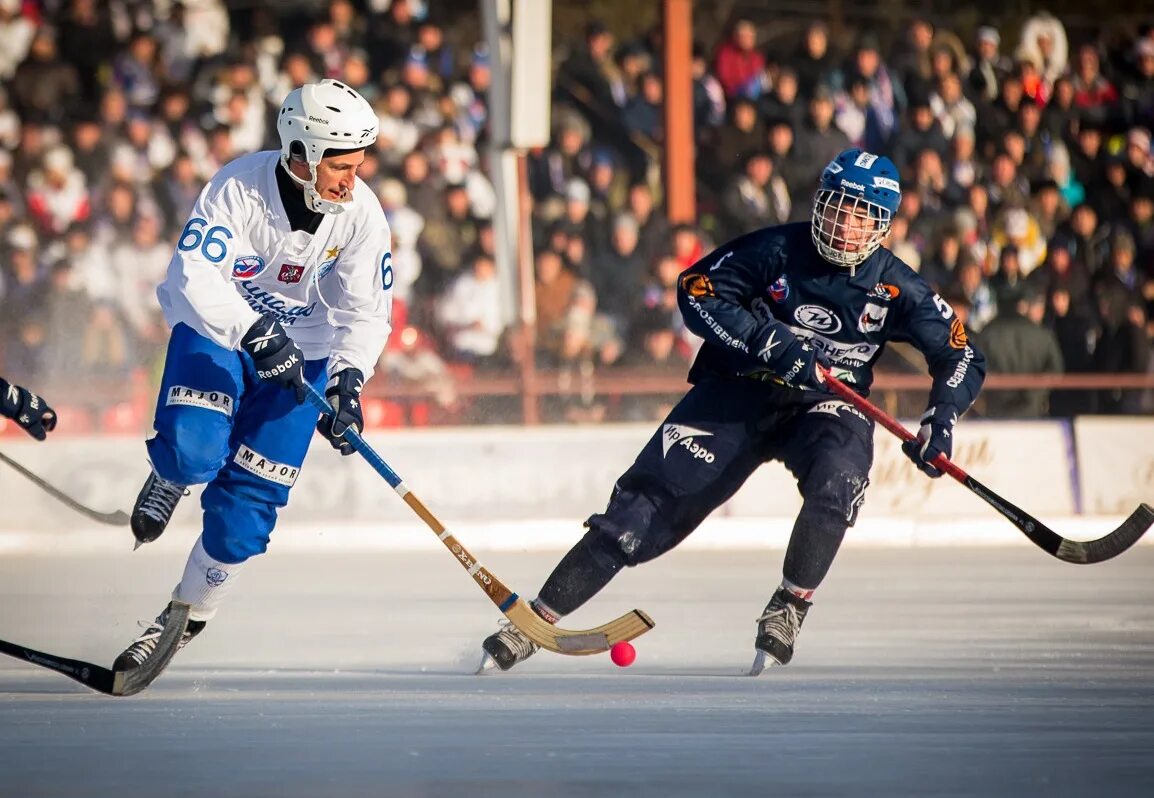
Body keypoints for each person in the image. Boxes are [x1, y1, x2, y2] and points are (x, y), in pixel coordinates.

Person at [478, 148, 986, 673]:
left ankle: (790, 605)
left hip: (827, 403)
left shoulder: (899, 285)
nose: (843, 224)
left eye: (859, 214)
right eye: (835, 206)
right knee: (640, 512)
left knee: (838, 481)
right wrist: (766, 341)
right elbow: (697, 291)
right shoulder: (775, 249)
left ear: (882, 225)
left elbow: (961, 355)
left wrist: (940, 418)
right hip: (739, 390)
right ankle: (535, 620)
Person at [114, 79, 393, 674]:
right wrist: (255, 329)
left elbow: (366, 312)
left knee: (245, 520)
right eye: (339, 166)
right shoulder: (237, 187)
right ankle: (173, 475)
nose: (352, 179)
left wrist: (348, 381)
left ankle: (182, 617)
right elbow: (194, 271)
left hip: (302, 359)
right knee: (193, 452)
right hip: (219, 333)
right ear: (302, 156)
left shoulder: (361, 214)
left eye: (358, 164)